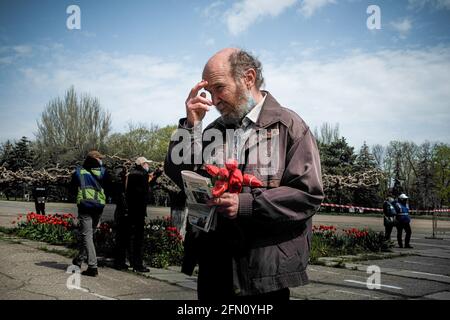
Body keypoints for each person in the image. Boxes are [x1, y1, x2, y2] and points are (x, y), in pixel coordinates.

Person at [164, 48, 324, 301]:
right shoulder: (213, 130)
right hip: (214, 268)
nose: (214, 100)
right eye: (210, 92)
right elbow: (178, 173)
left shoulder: (289, 126)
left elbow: (307, 194)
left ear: (248, 78)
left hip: (262, 275)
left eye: (219, 88)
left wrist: (247, 205)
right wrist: (190, 126)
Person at [70, 150, 111, 277]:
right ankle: (79, 260)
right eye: (100, 158)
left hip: (85, 206)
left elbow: (71, 188)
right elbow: (109, 188)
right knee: (89, 235)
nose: (101, 160)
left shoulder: (79, 171)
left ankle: (93, 266)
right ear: (96, 159)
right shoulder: (104, 172)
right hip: (98, 206)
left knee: (87, 236)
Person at [125, 156, 152, 273]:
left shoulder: (131, 174)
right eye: (146, 163)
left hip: (131, 208)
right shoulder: (143, 175)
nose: (148, 165)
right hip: (140, 210)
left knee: (131, 236)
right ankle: (138, 264)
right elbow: (145, 191)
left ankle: (131, 260)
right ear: (142, 164)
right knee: (139, 238)